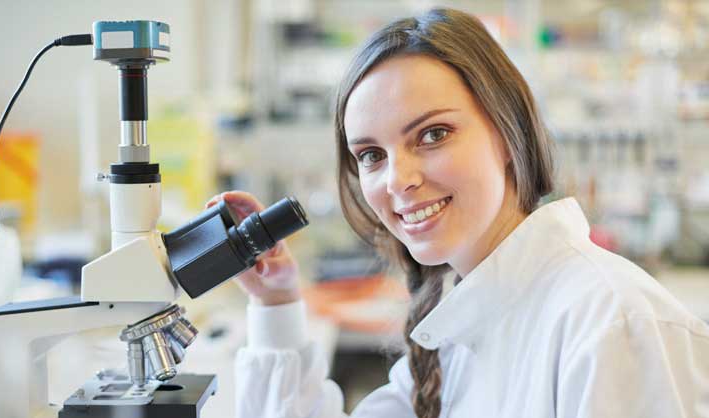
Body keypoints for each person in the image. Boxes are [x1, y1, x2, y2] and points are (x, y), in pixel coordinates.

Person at [205, 8, 709, 418]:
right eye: (371, 156)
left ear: (507, 132)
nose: (398, 179)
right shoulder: (462, 321)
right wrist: (275, 304)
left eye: (433, 134)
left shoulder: (614, 322)